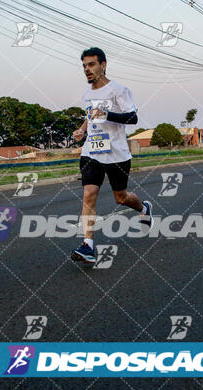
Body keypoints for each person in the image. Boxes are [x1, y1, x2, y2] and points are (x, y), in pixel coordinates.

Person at [70, 47, 152, 263]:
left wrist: (108, 114)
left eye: (91, 65)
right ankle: (87, 245)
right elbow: (91, 117)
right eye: (84, 66)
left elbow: (132, 118)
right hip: (91, 151)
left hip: (116, 153)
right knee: (88, 194)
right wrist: (82, 130)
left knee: (121, 197)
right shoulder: (87, 94)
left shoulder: (119, 90)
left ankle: (144, 208)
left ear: (103, 65)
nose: (87, 70)